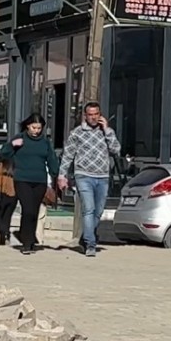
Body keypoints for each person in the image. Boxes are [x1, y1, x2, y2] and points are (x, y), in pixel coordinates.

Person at [60, 102, 122, 257]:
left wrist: (107, 129)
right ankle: (90, 244)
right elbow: (68, 154)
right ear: (85, 115)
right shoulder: (77, 133)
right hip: (84, 175)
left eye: (96, 114)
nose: (94, 117)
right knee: (88, 209)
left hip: (103, 176)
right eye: (90, 114)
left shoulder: (107, 132)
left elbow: (116, 149)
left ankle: (85, 237)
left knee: (98, 211)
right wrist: (62, 175)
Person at [0, 113, 60, 255]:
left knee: (34, 211)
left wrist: (56, 174)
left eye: (39, 128)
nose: (36, 131)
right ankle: (26, 242)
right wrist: (12, 145)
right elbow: (4, 153)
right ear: (27, 126)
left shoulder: (45, 143)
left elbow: (52, 159)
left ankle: (30, 240)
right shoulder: (19, 139)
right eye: (34, 127)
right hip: (22, 179)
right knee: (27, 210)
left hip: (39, 181)